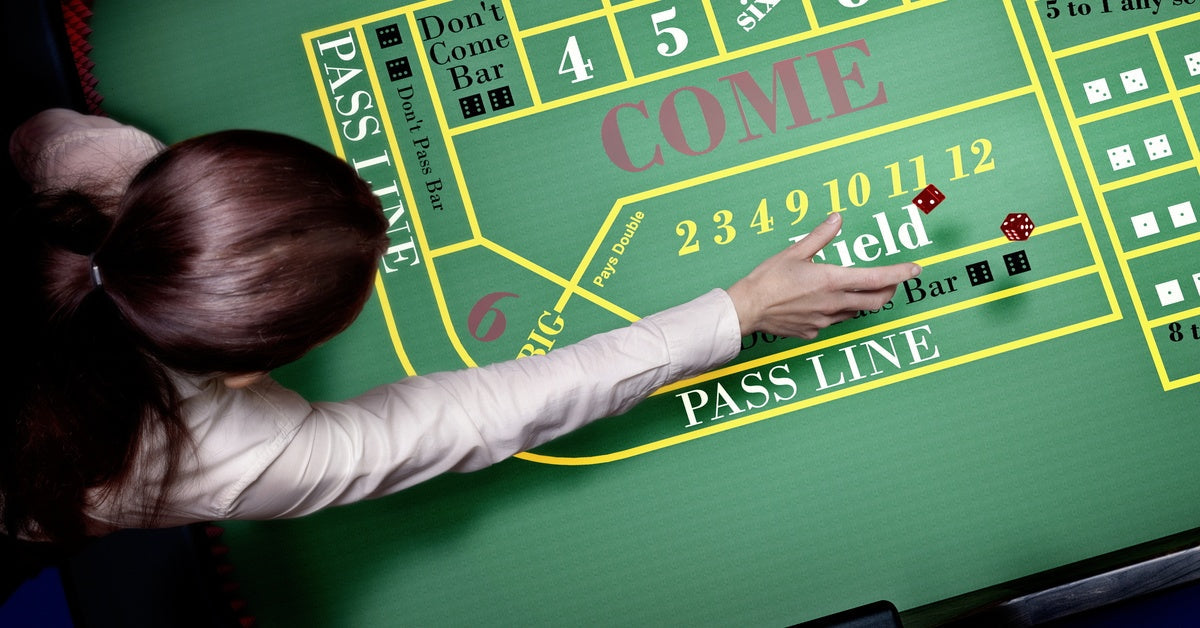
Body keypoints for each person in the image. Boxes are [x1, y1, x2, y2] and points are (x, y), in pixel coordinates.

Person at [2, 108, 921, 550]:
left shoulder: (81, 164)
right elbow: (481, 414)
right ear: (249, 370)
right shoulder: (223, 452)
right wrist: (743, 310)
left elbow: (44, 137)